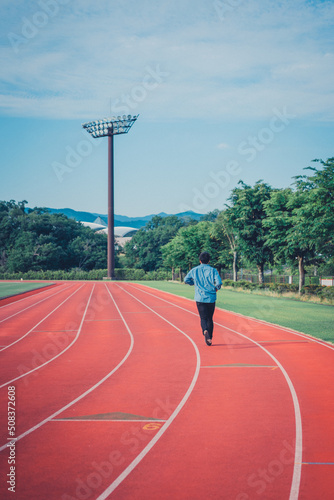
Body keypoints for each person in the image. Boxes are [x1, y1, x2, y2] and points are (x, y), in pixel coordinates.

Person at [184, 251, 222, 346]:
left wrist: (194, 283)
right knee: (210, 318)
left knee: (203, 318)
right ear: (209, 260)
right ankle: (210, 338)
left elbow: (186, 280)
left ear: (200, 260)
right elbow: (219, 283)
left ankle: (205, 330)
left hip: (200, 298)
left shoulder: (195, 270)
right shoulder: (213, 270)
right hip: (211, 297)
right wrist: (215, 289)